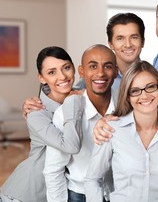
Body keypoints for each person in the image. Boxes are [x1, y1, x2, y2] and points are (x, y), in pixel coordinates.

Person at [84, 61, 158, 202]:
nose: (144, 96)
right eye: (135, 91)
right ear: (128, 96)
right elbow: (93, 179)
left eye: (150, 87)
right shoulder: (112, 130)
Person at [0, 46, 83, 202]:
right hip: (28, 192)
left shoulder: (82, 94)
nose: (62, 76)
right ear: (42, 78)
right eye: (52, 72)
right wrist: (73, 103)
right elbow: (70, 146)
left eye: (66, 68)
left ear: (74, 68)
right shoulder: (36, 113)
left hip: (67, 189)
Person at [22, 12, 145, 113]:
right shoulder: (92, 79)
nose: (128, 44)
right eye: (120, 38)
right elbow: (64, 92)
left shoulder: (152, 74)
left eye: (134, 37)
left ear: (143, 41)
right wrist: (36, 105)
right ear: (110, 43)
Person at [43, 44, 118, 202]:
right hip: (79, 195)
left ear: (116, 71)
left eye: (108, 66)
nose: (100, 73)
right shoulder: (64, 113)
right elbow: (53, 171)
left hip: (119, 194)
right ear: (82, 72)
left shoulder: (127, 107)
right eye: (93, 66)